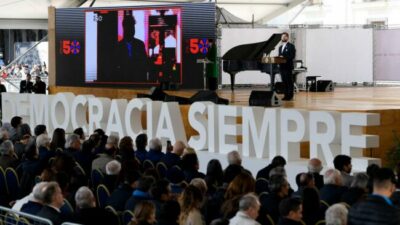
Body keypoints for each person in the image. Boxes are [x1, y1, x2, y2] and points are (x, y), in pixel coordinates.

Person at [114, 12, 149, 83]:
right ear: (124, 28)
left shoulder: (140, 44)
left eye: (133, 27)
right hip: (123, 82)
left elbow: (145, 64)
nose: (132, 29)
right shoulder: (118, 46)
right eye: (129, 27)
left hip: (138, 82)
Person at [278, 32, 296, 101]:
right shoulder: (280, 47)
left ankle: (290, 96)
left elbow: (292, 56)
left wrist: (284, 57)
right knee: (284, 82)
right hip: (282, 67)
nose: (283, 38)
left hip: (288, 66)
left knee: (289, 81)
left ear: (287, 37)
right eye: (282, 37)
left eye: (284, 37)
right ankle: (285, 95)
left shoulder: (291, 46)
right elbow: (279, 56)